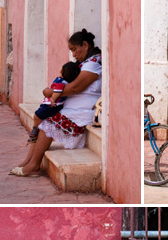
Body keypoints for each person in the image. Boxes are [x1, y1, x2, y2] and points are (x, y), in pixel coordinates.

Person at [10, 30, 102, 178]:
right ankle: (28, 161)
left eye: (74, 49)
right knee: (41, 119)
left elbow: (75, 88)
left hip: (82, 111)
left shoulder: (94, 63)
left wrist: (51, 93)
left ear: (85, 45)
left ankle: (33, 165)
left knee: (48, 124)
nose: (73, 54)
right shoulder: (86, 62)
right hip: (73, 108)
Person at [26, 60, 81, 135]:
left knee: (37, 115)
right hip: (53, 105)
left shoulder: (61, 82)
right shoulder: (65, 81)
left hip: (52, 105)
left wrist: (53, 99)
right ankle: (37, 128)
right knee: (41, 115)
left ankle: (35, 129)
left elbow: (57, 91)